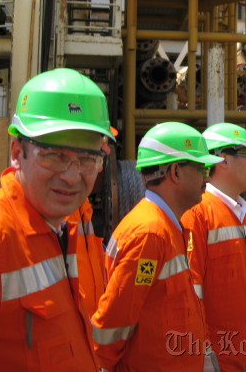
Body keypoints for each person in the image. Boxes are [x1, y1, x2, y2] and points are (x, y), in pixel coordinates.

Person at [0, 67, 115, 371]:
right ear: (17, 152)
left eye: (87, 159)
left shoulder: (61, 231)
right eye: (54, 155)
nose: (72, 176)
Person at [91, 121, 224, 372]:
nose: (207, 179)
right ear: (175, 172)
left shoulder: (166, 228)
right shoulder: (150, 234)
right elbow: (113, 323)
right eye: (202, 168)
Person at [181, 122, 246, 372]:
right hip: (217, 358)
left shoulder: (243, 216)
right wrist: (204, 353)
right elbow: (191, 296)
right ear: (221, 160)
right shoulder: (197, 214)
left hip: (245, 355)